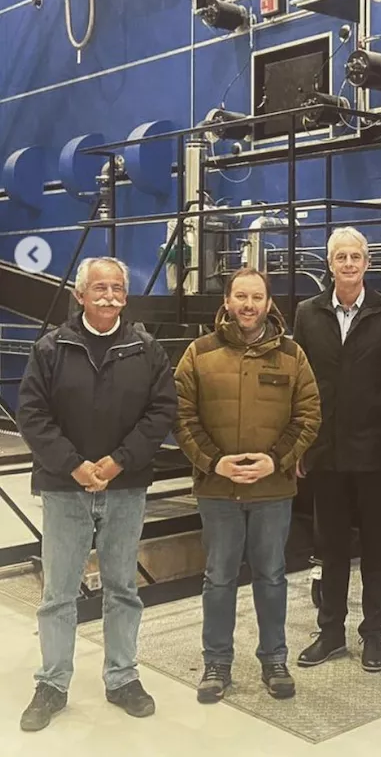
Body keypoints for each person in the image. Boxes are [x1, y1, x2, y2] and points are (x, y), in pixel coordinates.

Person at [16, 257, 177, 731]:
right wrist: (75, 465)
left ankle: (123, 677)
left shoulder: (146, 349)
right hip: (65, 489)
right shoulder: (51, 348)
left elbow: (161, 411)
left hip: (125, 488)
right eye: (100, 288)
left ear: (125, 296)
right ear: (80, 295)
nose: (109, 296)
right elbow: (32, 414)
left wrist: (118, 461)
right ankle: (52, 683)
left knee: (123, 588)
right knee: (59, 593)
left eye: (117, 289)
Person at [173, 269, 320, 705]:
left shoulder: (292, 355)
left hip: (271, 490)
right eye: (241, 296)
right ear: (228, 301)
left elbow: (308, 415)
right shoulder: (199, 353)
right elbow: (181, 415)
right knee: (218, 578)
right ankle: (217, 663)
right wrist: (214, 462)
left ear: (269, 303)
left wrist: (275, 460)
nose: (249, 305)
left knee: (271, 577)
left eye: (257, 297)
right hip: (218, 490)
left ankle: (274, 660)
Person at [293, 227, 381, 673]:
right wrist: (300, 445)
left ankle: (374, 635)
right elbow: (298, 385)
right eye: (340, 257)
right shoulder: (308, 313)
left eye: (355, 257)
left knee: (376, 549)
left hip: (375, 452)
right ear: (329, 264)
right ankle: (330, 633)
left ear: (367, 264)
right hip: (325, 453)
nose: (348, 264)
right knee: (331, 548)